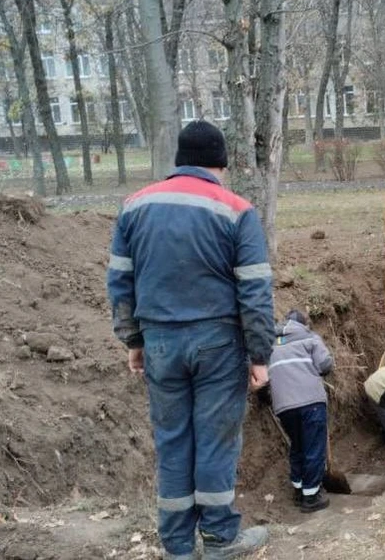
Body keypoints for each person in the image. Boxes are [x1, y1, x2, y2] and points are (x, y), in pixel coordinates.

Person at [107, 120, 273, 560]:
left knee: (173, 440)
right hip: (217, 342)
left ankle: (178, 547)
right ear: (221, 164)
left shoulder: (134, 207)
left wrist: (133, 340)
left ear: (179, 161)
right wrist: (260, 354)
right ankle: (219, 538)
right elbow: (254, 290)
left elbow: (120, 282)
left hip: (160, 341)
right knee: (215, 440)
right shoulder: (237, 209)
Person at [269, 310, 334, 513]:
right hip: (310, 402)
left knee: (297, 446)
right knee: (313, 448)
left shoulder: (268, 343)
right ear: (302, 323)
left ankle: (298, 491)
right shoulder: (310, 337)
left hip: (283, 406)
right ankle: (311, 497)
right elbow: (325, 365)